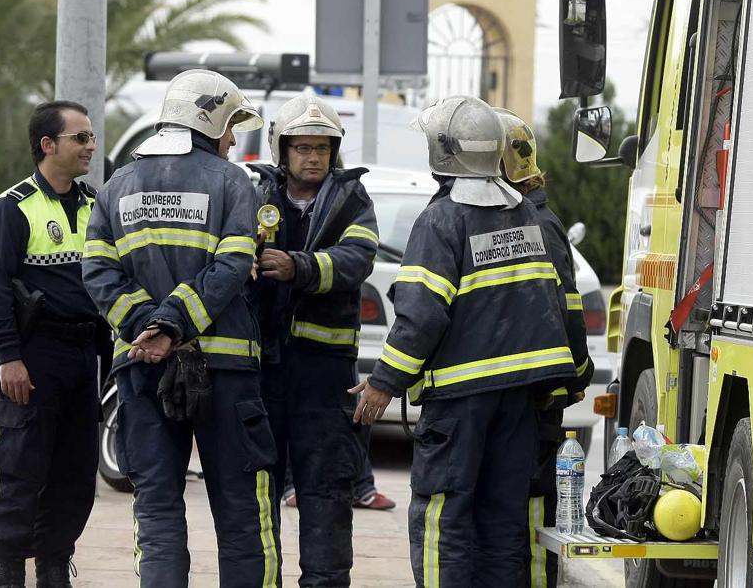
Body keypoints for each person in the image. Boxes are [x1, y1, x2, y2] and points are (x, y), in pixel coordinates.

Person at [350, 95, 581, 587]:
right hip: (519, 402)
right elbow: (550, 305)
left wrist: (383, 384)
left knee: (442, 521)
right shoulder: (526, 215)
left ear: (443, 153)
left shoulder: (441, 221)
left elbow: (420, 317)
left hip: (459, 402)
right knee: (503, 524)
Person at [82, 70, 277, 587]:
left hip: (142, 369)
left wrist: (149, 329)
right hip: (227, 371)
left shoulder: (117, 185)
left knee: (158, 512)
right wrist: (172, 324)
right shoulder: (234, 183)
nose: (233, 139)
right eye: (231, 125)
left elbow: (97, 273)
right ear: (208, 120)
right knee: (239, 513)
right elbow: (234, 266)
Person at [247, 93, 381, 586]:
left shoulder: (353, 200)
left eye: (322, 148)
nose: (312, 157)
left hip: (324, 378)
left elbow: (356, 261)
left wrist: (299, 267)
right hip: (261, 370)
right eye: (302, 147)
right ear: (282, 151)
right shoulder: (256, 196)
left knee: (326, 490)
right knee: (256, 491)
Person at [0, 100, 103, 588]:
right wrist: (9, 355)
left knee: (74, 473)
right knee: (22, 469)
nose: (90, 146)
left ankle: (54, 566)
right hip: (32, 354)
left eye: (90, 137)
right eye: (80, 137)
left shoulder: (96, 204)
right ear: (48, 145)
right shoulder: (13, 208)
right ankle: (9, 571)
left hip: (82, 353)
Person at [496, 108, 595, 588]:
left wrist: (574, 374)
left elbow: (565, 309)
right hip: (532, 388)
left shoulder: (537, 224)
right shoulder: (530, 216)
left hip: (540, 395)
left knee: (533, 508)